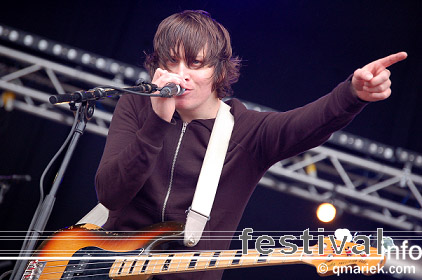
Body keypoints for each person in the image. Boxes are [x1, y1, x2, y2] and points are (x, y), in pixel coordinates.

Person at [95, 10, 407, 280]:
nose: (181, 75)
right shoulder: (136, 107)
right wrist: (156, 124)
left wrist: (352, 93)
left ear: (218, 70)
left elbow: (306, 124)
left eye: (195, 63)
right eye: (172, 62)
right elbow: (111, 194)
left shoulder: (246, 132)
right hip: (100, 266)